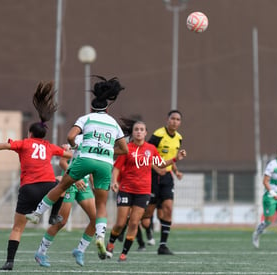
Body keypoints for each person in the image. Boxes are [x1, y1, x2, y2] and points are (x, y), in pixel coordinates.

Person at [0, 81, 72, 271]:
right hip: (48, 186)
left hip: (29, 188)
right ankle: (53, 216)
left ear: (30, 133)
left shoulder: (24, 143)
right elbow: (70, 155)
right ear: (43, 136)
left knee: (17, 228)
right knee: (61, 184)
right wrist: (68, 148)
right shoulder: (49, 147)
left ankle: (9, 262)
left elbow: (4, 145)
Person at [26, 75, 129, 260]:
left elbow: (70, 136)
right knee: (102, 205)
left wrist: (75, 145)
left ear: (91, 107)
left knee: (61, 186)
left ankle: (37, 213)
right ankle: (100, 237)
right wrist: (107, 151)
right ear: (107, 108)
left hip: (84, 161)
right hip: (105, 163)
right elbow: (124, 149)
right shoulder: (113, 123)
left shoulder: (85, 119)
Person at [105, 119, 186, 262]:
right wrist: (114, 182)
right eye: (136, 129)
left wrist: (175, 159)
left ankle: (124, 253)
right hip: (126, 189)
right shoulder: (126, 148)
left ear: (146, 133)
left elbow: (160, 163)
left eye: (142, 130)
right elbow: (117, 167)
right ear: (133, 132)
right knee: (120, 223)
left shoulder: (151, 149)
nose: (139, 132)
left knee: (135, 223)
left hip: (143, 192)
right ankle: (111, 243)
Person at [34, 134, 96, 267]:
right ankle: (40, 253)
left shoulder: (97, 142)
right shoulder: (76, 139)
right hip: (70, 183)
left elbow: (91, 167)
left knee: (95, 219)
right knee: (61, 222)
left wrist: (94, 184)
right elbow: (63, 162)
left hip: (84, 185)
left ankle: (80, 250)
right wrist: (76, 177)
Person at [140, 110, 183, 255]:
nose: (175, 122)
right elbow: (147, 153)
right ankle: (132, 221)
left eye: (178, 119)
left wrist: (176, 171)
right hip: (153, 176)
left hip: (167, 177)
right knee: (147, 216)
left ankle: (162, 245)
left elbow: (171, 157)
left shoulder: (179, 138)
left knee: (168, 209)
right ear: (167, 120)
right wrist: (157, 169)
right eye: (173, 119)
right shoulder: (158, 134)